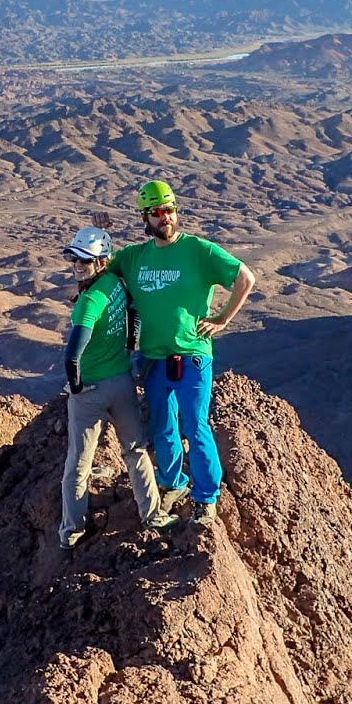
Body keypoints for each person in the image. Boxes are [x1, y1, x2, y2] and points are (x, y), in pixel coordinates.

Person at [105, 181, 256, 525]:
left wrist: (222, 319)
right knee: (162, 426)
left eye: (169, 210)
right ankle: (173, 483)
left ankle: (206, 497)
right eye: (157, 213)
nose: (165, 218)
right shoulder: (134, 257)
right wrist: (100, 232)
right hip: (154, 359)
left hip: (192, 356)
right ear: (145, 217)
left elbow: (245, 277)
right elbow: (99, 271)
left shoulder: (199, 251)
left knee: (196, 426)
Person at [58, 226, 172, 550]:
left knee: (78, 466)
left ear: (101, 261)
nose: (78, 265)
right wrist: (131, 346)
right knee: (135, 451)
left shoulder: (89, 300)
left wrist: (76, 387)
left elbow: (72, 355)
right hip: (122, 382)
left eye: (85, 260)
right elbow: (134, 312)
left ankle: (72, 531)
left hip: (91, 392)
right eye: (75, 259)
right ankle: (152, 516)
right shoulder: (116, 285)